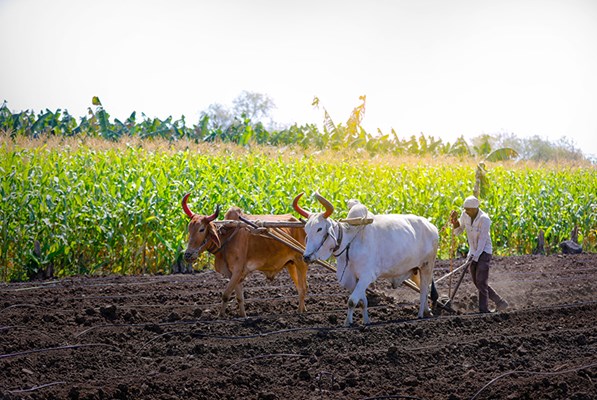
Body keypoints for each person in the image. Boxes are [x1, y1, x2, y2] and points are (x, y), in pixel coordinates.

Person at [450, 195, 509, 313]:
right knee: (477, 282)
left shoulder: (484, 219)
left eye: (468, 209)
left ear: (475, 208)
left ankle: (484, 309)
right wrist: (455, 221)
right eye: (465, 209)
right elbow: (458, 232)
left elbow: (482, 240)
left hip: (484, 252)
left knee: (481, 281)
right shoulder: (465, 215)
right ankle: (499, 302)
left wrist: (476, 258)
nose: (466, 211)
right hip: (473, 252)